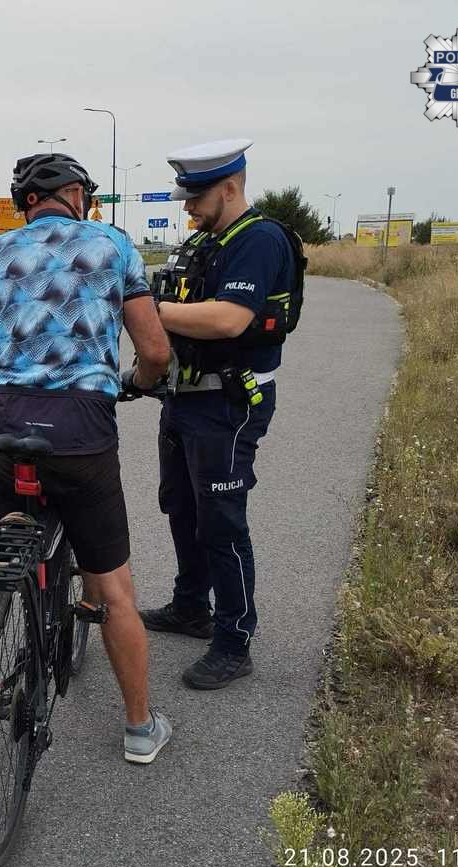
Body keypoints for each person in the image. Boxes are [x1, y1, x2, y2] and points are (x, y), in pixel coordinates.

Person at [0, 153, 173, 768]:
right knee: (112, 589)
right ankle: (141, 728)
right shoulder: (114, 247)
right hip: (83, 435)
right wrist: (136, 381)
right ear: (74, 196)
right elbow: (156, 349)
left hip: (5, 432)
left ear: (27, 202)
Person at [138, 139, 301, 690]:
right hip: (184, 398)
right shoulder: (207, 242)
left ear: (229, 188)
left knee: (221, 520)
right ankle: (191, 607)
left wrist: (149, 312)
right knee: (181, 508)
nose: (187, 207)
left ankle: (234, 638)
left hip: (228, 405)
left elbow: (231, 319)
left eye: (195, 196)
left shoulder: (258, 240)